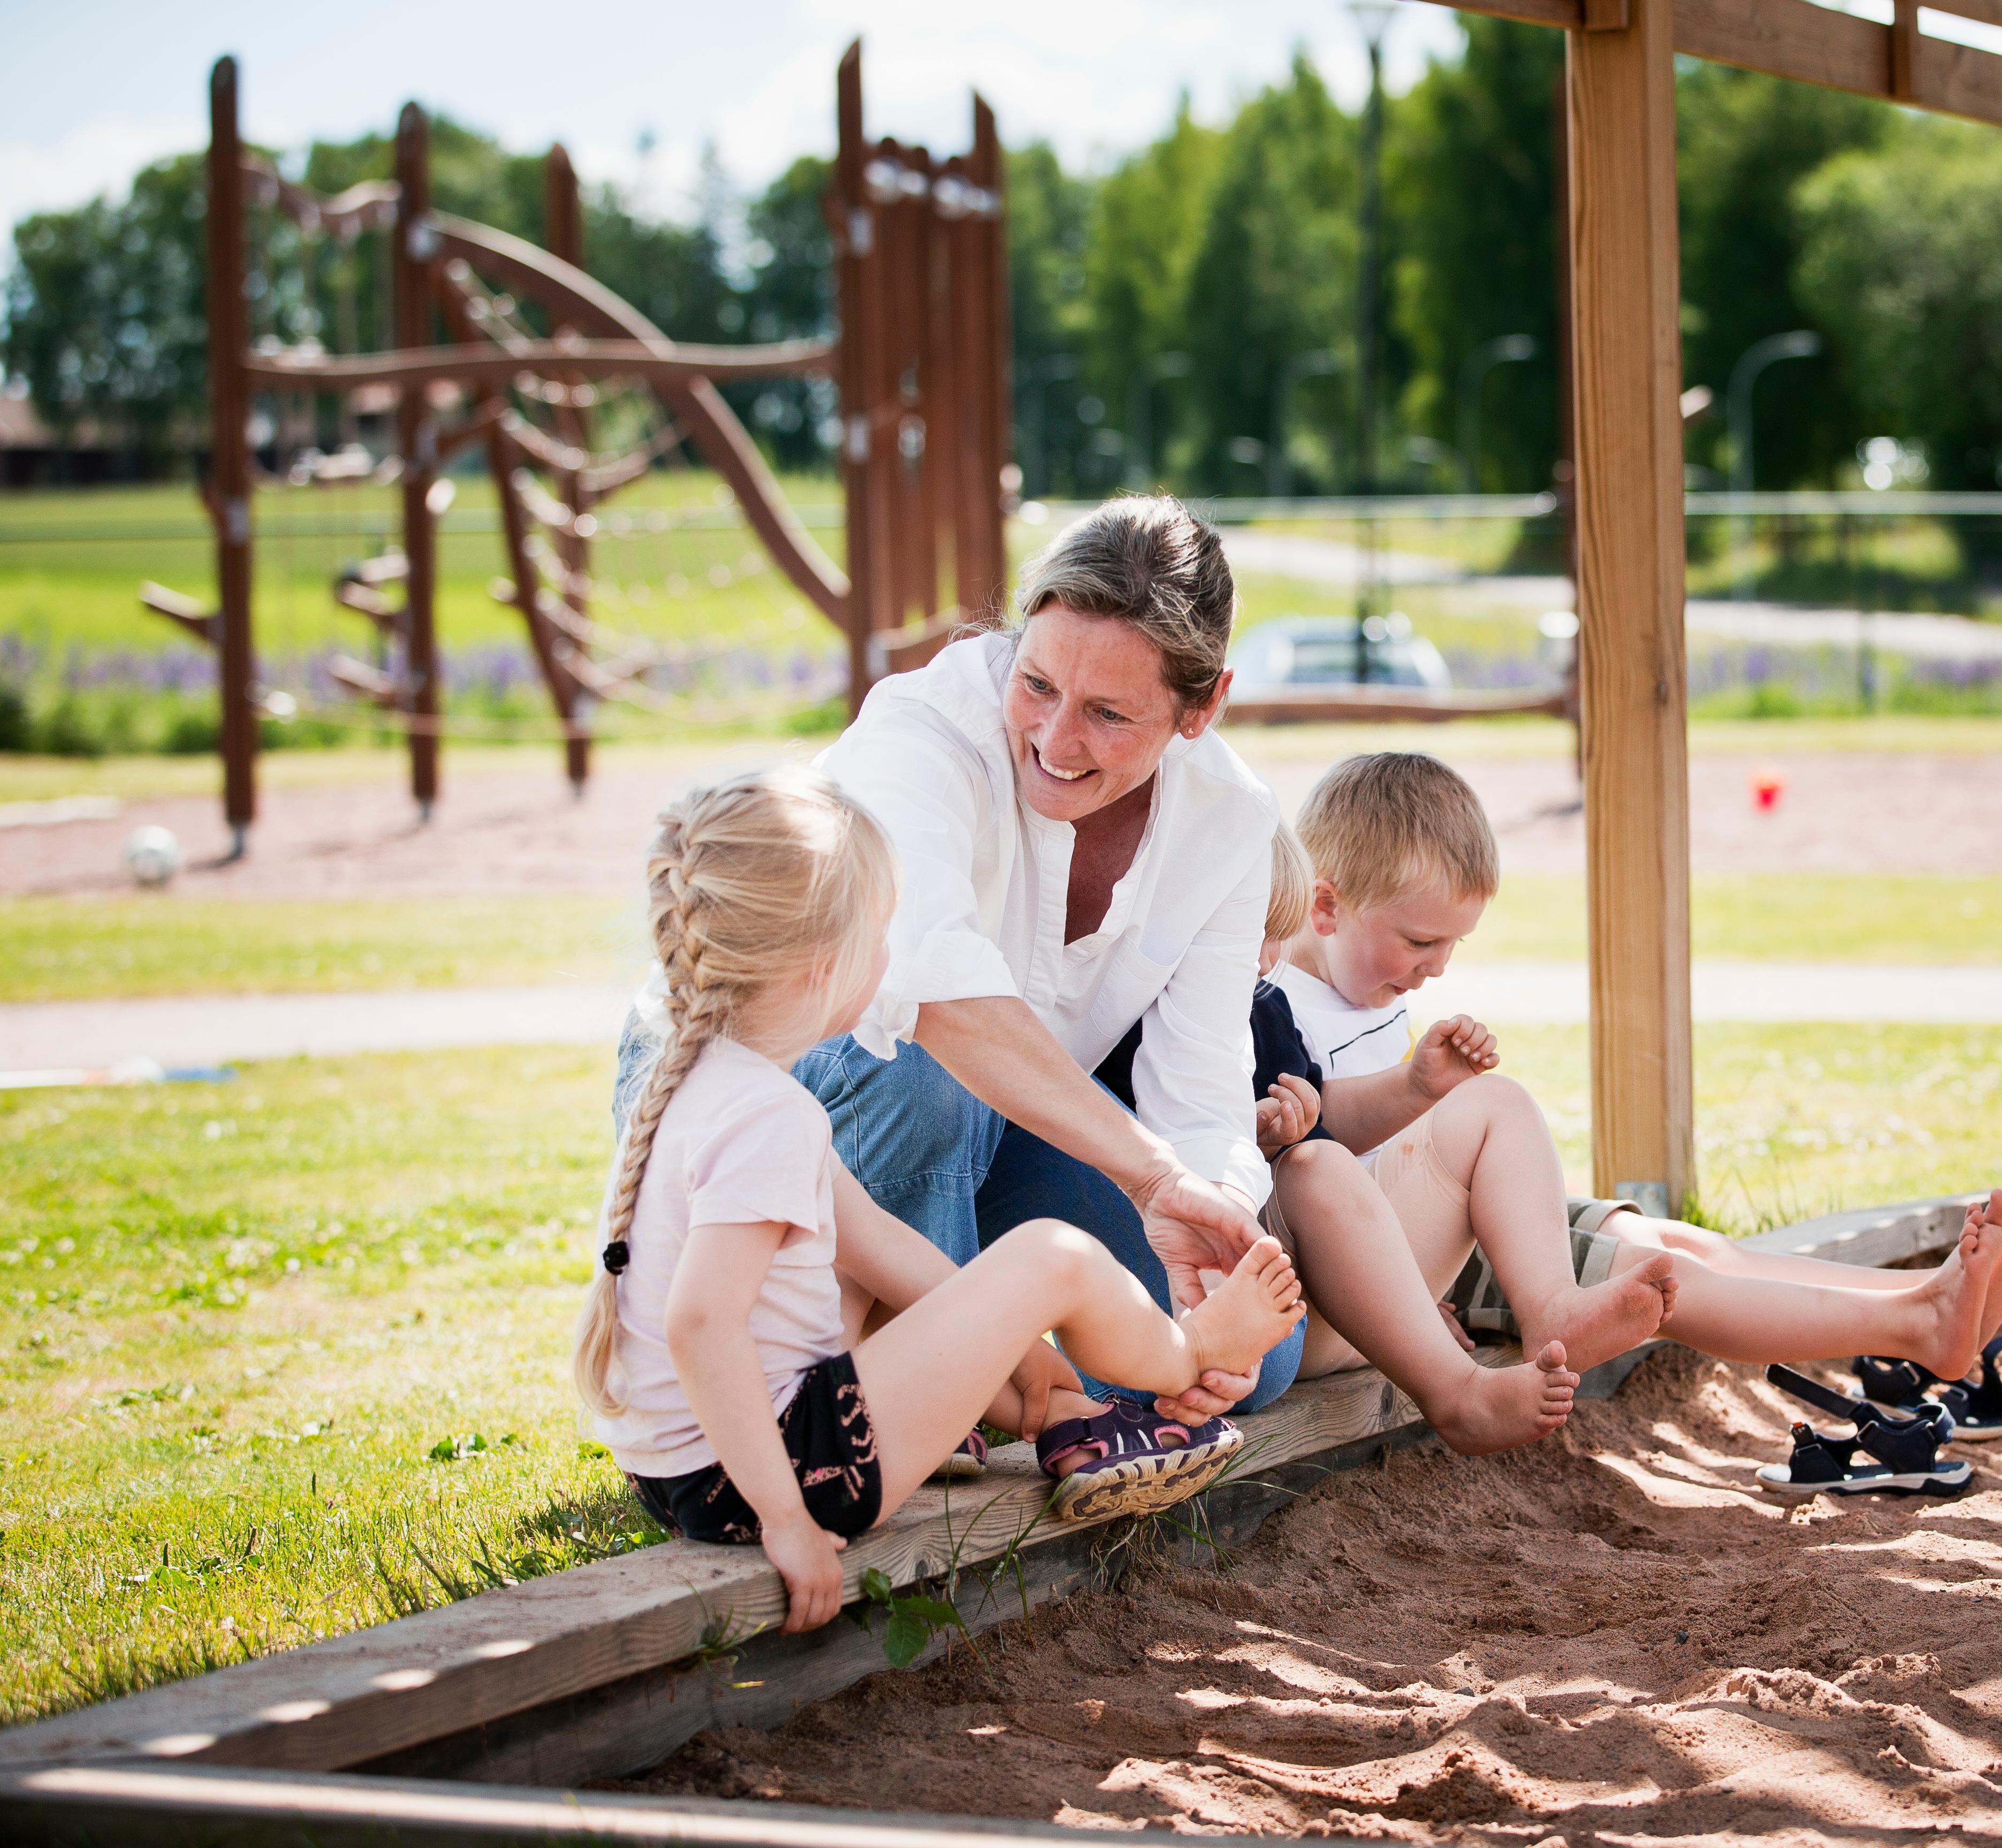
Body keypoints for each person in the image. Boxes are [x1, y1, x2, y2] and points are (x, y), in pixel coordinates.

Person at [623, 497, 1303, 1505]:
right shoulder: (925, 728)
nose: (1054, 738)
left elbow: (1198, 1092)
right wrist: (1152, 1183)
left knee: (1248, 1367)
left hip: (998, 1133)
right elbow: (924, 986)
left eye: (1107, 714)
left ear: (1199, 710)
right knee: (934, 1075)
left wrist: (1205, 1230)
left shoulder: (1231, 821)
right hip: (800, 1088)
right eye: (1036, 683)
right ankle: (901, 1393)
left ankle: (1000, 1379)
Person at [577, 767, 1305, 1632]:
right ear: (820, 965)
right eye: (881, 933)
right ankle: (1188, 1353)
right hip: (778, 1473)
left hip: (699, 1472)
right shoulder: (762, 1118)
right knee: (1050, 1257)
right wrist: (784, 1519)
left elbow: (876, 1247)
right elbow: (701, 1323)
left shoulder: (708, 1083)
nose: (894, 958)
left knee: (881, 1273)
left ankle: (1061, 1409)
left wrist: (1022, 1355)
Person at [1266, 751, 2002, 1385]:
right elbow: (1299, 1180)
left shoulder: (1363, 982)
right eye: (1419, 943)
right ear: (1327, 908)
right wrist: (1410, 1306)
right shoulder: (1276, 1007)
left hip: (1431, 1238)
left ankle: (1936, 1301)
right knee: (1661, 1270)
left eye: (1452, 948)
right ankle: (1918, 1326)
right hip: (1360, 1280)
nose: (1435, 970)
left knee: (1689, 1247)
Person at [1096, 825, 1591, 1456]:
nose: (1265, 961)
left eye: (1272, 937)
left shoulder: (1262, 1007)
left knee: (1339, 1150)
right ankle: (1455, 1393)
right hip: (1222, 1301)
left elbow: (1321, 1130)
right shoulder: (1118, 1022)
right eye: (1252, 937)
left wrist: (1293, 1130)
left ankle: (1523, 1311)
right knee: (1318, 1166)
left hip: (1305, 1294)